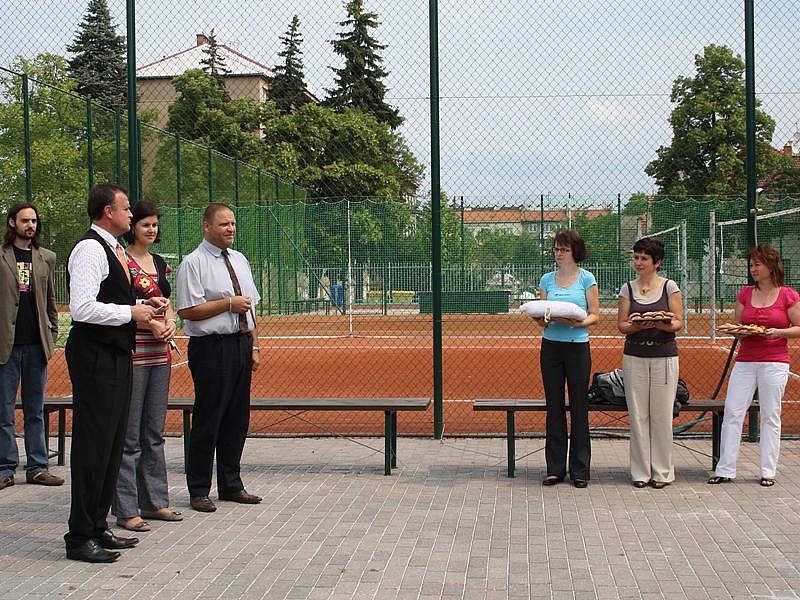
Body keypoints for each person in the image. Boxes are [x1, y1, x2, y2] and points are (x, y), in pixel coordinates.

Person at [64, 184, 166, 563]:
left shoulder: (114, 249)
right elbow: (82, 308)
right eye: (125, 209)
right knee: (94, 445)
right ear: (108, 212)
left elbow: (112, 298)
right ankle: (79, 537)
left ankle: (96, 525)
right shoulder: (91, 248)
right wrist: (132, 314)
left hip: (116, 353)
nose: (131, 215)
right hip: (95, 355)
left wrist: (144, 301)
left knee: (111, 443)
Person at [176, 203, 262, 513]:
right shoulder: (193, 263)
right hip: (211, 347)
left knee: (237, 419)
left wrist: (254, 345)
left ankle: (231, 484)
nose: (230, 229)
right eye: (224, 224)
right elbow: (186, 310)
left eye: (233, 224)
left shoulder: (239, 260)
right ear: (207, 226)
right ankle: (199, 489)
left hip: (240, 344)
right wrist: (226, 304)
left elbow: (251, 307)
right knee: (209, 419)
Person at [112, 201, 181, 532]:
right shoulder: (121, 260)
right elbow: (119, 306)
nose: (151, 230)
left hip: (160, 355)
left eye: (154, 225)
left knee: (154, 431)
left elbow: (167, 303)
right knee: (130, 434)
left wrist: (169, 320)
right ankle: (126, 508)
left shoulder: (158, 262)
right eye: (145, 225)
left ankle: (155, 501)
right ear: (132, 227)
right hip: (133, 352)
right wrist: (149, 323)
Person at [709, 243, 800, 487]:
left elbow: (798, 327)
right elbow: (738, 325)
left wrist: (777, 332)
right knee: (733, 412)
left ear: (771, 266)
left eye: (757, 264)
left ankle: (767, 471)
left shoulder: (788, 295)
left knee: (771, 415)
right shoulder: (746, 294)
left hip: (774, 361)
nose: (753, 269)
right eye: (751, 265)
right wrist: (742, 332)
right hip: (746, 360)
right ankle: (725, 469)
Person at [0, 202, 63, 490]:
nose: (31, 225)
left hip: (36, 345)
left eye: (34, 221)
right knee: (4, 409)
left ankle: (38, 467)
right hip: (7, 346)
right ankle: (5, 468)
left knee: (35, 408)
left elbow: (50, 300)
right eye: (25, 220)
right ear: (12, 222)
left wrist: (51, 334)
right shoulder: (2, 256)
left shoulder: (45, 258)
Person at [534, 230, 599, 488]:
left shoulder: (587, 279)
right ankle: (555, 468)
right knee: (554, 408)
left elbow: (595, 315)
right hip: (551, 348)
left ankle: (580, 470)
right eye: (556, 249)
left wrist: (578, 323)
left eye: (564, 249)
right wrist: (543, 318)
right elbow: (540, 318)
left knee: (579, 408)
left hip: (577, 348)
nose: (558, 254)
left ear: (575, 251)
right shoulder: (547, 280)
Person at [617, 237, 682, 489]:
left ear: (657, 262)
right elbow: (622, 325)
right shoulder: (627, 289)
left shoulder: (669, 287)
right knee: (638, 415)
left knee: (661, 415)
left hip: (664, 357)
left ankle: (663, 472)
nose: (638, 262)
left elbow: (677, 322)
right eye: (636, 257)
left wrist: (660, 323)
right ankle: (640, 472)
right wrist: (637, 325)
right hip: (635, 357)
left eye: (644, 258)